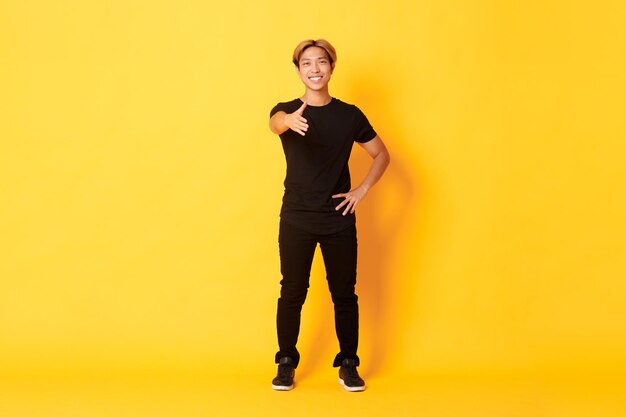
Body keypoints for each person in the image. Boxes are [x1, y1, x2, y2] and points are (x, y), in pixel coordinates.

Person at [268, 39, 390, 392]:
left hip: (337, 218)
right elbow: (274, 123)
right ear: (298, 70)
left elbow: (381, 154)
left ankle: (349, 364)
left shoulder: (349, 115)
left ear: (331, 67)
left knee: (344, 294)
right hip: (296, 217)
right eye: (307, 63)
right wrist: (288, 120)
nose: (315, 69)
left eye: (321, 62)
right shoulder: (286, 111)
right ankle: (286, 362)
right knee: (292, 290)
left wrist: (362, 190)